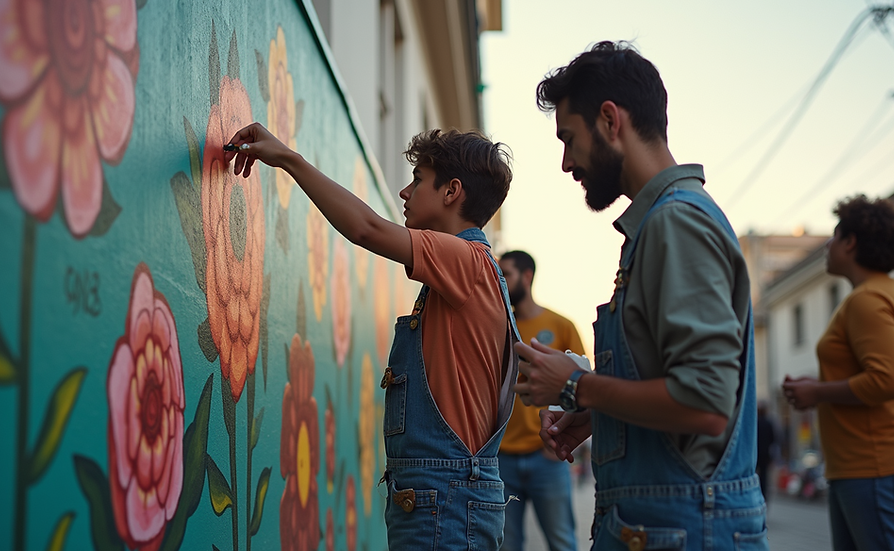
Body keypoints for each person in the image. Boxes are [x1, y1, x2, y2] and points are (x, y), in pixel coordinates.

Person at [513, 41, 767, 550]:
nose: (565, 162)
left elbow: (705, 402)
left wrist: (580, 386)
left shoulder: (675, 223)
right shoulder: (659, 224)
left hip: (682, 529)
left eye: (569, 138)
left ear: (610, 120)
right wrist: (603, 415)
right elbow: (676, 389)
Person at [224, 124, 521, 549]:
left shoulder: (466, 261)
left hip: (447, 498)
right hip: (444, 495)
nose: (404, 192)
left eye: (418, 180)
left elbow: (366, 229)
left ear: (451, 191)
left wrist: (289, 159)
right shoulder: (465, 272)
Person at [782, 195, 894, 551]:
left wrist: (818, 392)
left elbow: (890, 381)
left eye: (835, 235)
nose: (828, 243)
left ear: (850, 242)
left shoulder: (865, 301)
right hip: (884, 465)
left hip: (874, 468)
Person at [497, 250, 584, 551]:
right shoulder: (497, 329)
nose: (500, 281)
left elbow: (581, 384)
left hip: (546, 456)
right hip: (501, 460)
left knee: (562, 543)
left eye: (505, 274)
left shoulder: (562, 326)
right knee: (506, 546)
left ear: (527, 276)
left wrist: (554, 449)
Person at [756, 401, 776, 502]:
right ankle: (763, 496)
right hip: (765, 454)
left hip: (755, 454)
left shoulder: (755, 423)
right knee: (764, 476)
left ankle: (756, 494)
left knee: (754, 475)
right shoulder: (768, 423)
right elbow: (773, 439)